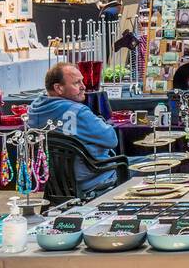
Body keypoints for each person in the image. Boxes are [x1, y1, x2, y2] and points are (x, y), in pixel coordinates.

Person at [28, 62, 123, 199]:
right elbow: (112, 139)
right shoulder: (77, 112)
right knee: (152, 168)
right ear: (58, 88)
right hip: (94, 178)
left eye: (82, 81)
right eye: (76, 83)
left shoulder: (34, 110)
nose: (83, 86)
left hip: (54, 182)